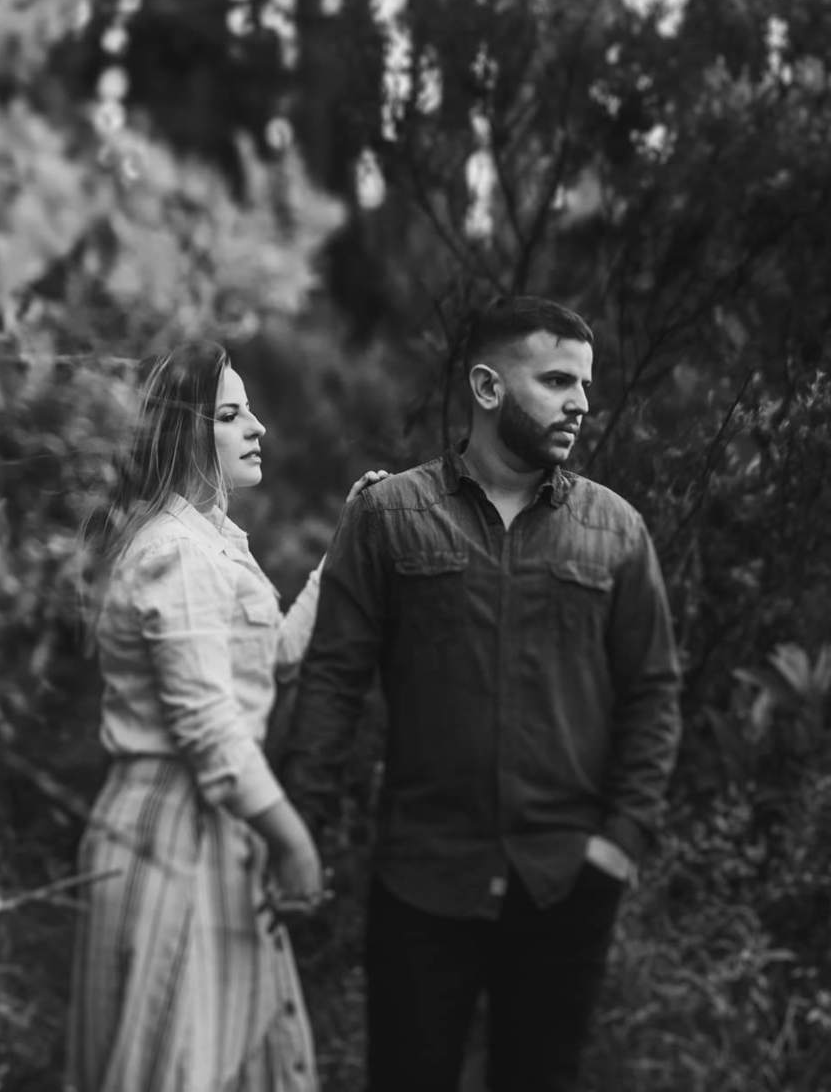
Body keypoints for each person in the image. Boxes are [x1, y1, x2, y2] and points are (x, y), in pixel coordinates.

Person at [282, 296, 682, 1092]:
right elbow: (333, 678)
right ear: (489, 387)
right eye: (558, 379)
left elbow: (653, 691)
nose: (581, 402)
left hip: (565, 881)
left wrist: (620, 840)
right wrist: (301, 827)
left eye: (586, 383)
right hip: (424, 879)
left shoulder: (616, 531)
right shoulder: (391, 516)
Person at [66, 340, 387, 1092]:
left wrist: (343, 546)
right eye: (234, 415)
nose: (260, 429)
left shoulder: (207, 542)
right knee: (177, 1062)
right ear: (186, 433)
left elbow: (270, 654)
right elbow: (208, 728)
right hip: (170, 829)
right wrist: (292, 839)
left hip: (211, 825)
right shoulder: (175, 552)